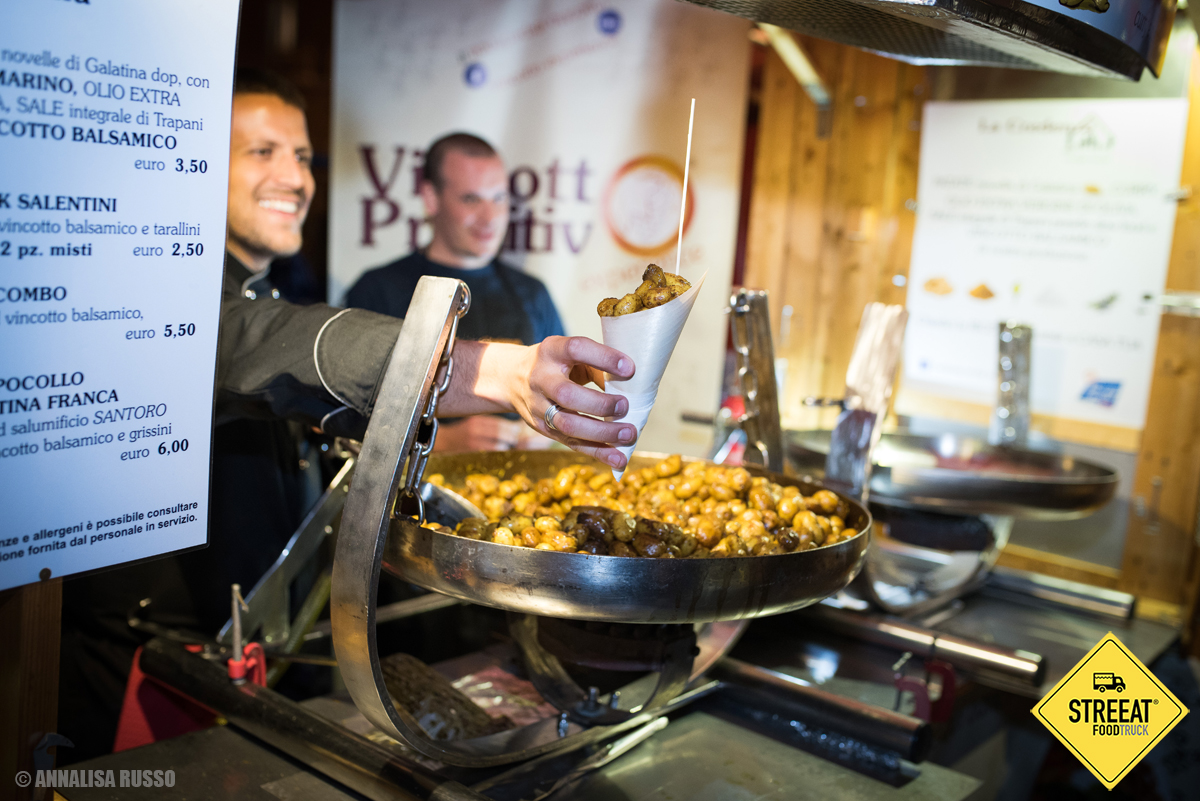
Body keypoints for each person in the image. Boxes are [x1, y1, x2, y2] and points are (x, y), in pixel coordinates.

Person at [58, 70, 637, 763]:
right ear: (191, 164)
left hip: (250, 655)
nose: (295, 177)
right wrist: (478, 369)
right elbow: (254, 339)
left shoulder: (264, 284)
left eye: (302, 156)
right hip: (147, 677)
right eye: (262, 152)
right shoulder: (149, 294)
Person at [345, 133, 564, 451]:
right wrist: (440, 441)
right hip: (420, 484)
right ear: (431, 198)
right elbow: (346, 416)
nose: (490, 217)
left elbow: (560, 396)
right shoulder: (377, 290)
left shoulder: (533, 293)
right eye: (471, 199)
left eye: (499, 198)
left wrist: (541, 433)